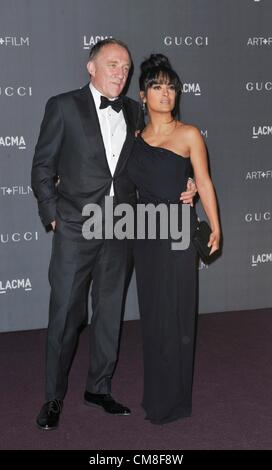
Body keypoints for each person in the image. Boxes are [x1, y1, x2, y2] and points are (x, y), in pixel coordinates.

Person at [31, 39, 197, 430]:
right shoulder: (63, 106)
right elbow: (42, 166)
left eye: (125, 68)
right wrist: (53, 216)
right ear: (91, 68)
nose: (120, 73)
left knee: (109, 314)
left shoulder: (136, 111)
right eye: (112, 65)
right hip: (76, 225)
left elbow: (160, 153)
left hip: (121, 226)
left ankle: (99, 388)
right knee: (66, 314)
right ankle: (53, 397)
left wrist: (184, 182)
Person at [127, 54, 220, 424]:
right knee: (154, 317)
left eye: (171, 87)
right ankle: (156, 396)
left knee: (179, 316)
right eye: (157, 87)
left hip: (179, 232)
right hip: (146, 234)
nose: (166, 94)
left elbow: (205, 180)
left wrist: (215, 223)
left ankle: (177, 400)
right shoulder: (134, 139)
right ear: (143, 94)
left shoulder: (189, 134)